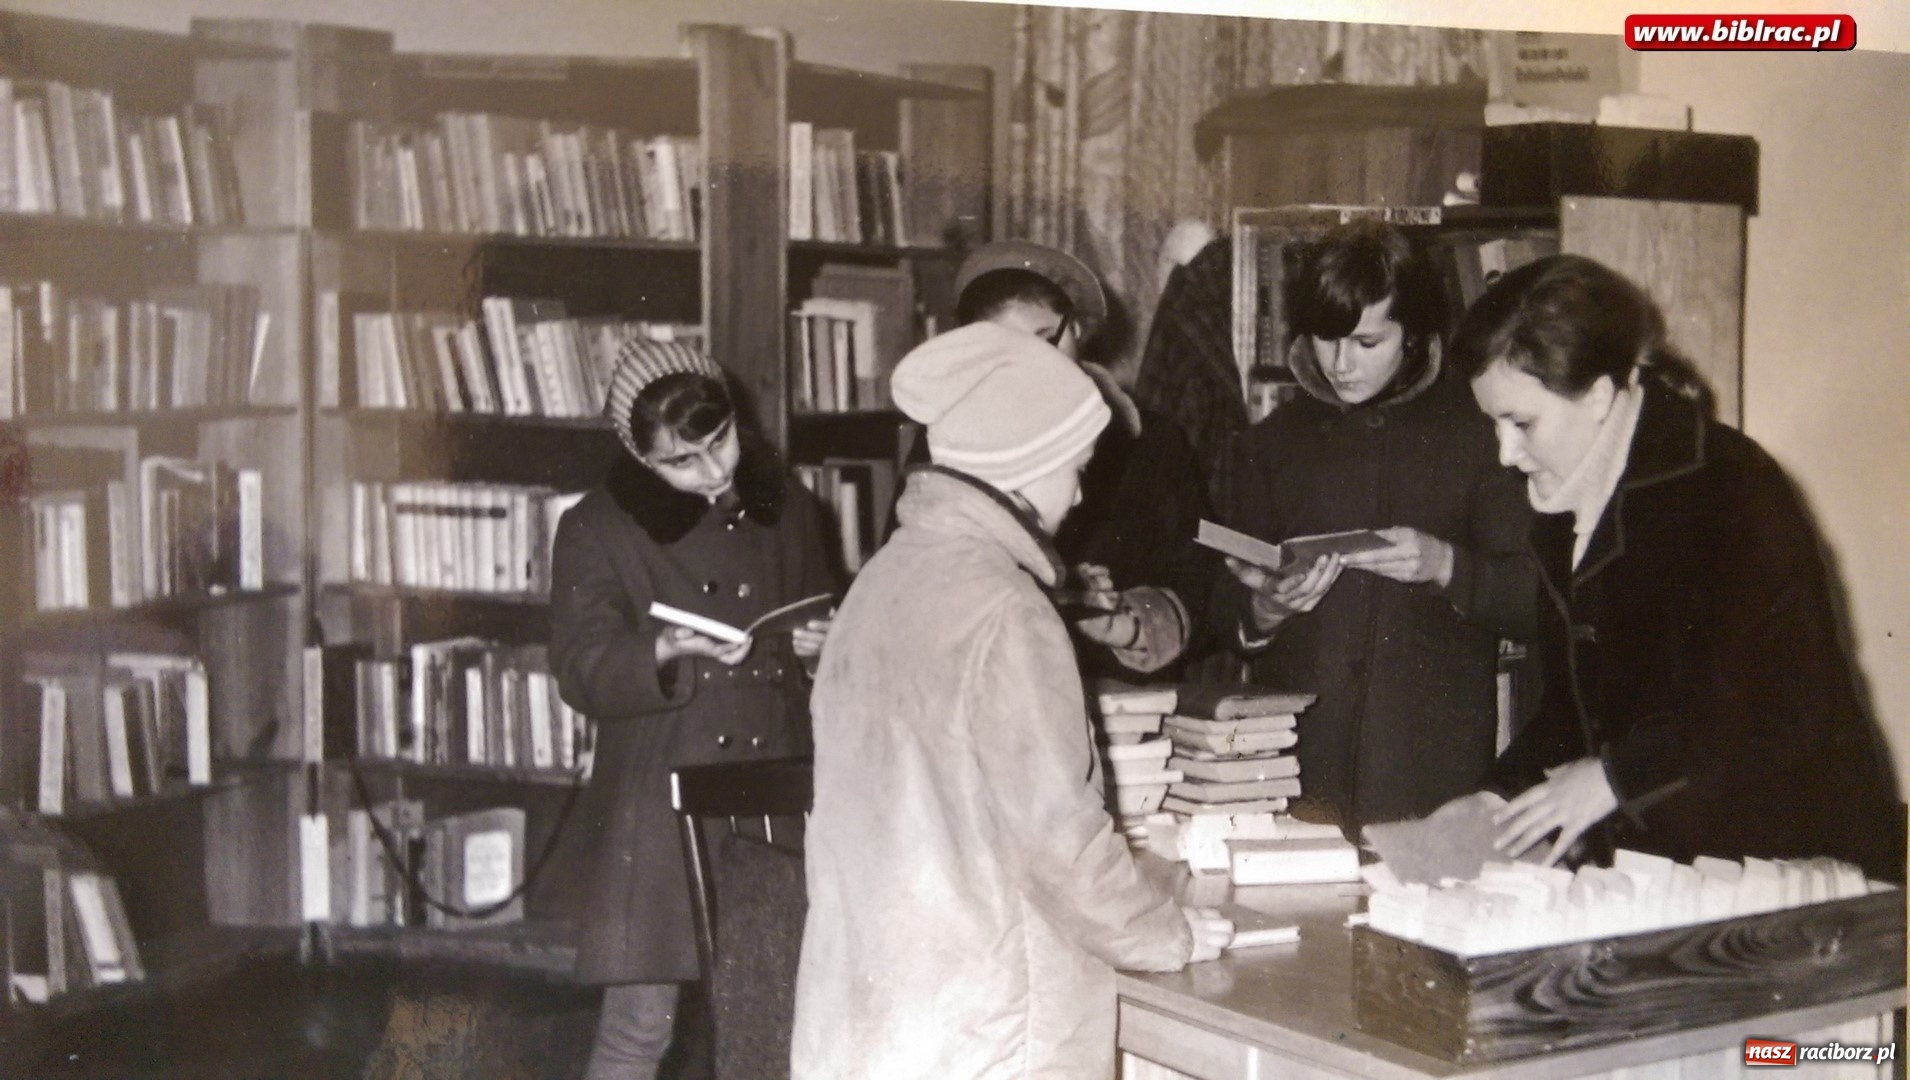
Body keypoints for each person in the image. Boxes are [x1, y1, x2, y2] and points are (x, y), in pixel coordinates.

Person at [791, 322, 1233, 1079]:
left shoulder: (877, 583)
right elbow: (1060, 845)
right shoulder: (1010, 613)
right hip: (988, 1030)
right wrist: (1170, 934)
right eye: (1078, 468)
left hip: (872, 1017)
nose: (1083, 492)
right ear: (1027, 469)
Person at [1454, 254, 1903, 879]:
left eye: (1521, 422)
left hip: (1790, 860)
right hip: (1672, 867)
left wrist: (1615, 778)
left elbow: (1789, 703)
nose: (1506, 454)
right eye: (1493, 424)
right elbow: (1573, 712)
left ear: (1600, 395)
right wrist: (1494, 798)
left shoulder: (1730, 484)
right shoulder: (1563, 509)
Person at [548, 338, 838, 1080]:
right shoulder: (596, 526)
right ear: (640, 458)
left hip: (773, 783)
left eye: (721, 441)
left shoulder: (789, 504)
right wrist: (661, 651)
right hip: (661, 793)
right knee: (641, 1028)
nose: (715, 472)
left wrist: (819, 647)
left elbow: (823, 621)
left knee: (778, 1018)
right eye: (683, 461)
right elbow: (580, 669)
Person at [1216, 220, 1535, 831]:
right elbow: (1218, 606)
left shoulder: (1480, 434)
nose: (1340, 365)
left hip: (1428, 776)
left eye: (1367, 343)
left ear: (1413, 334)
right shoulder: (1272, 442)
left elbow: (1542, 602)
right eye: (1325, 339)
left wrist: (1447, 565)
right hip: (1293, 771)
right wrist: (1263, 612)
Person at [953, 239, 1218, 680]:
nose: (1032, 368)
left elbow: (1203, 589)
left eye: (1044, 341)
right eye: (1004, 353)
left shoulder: (1151, 443)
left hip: (1123, 707)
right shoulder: (950, 440)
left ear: (1075, 330)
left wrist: (1126, 624)